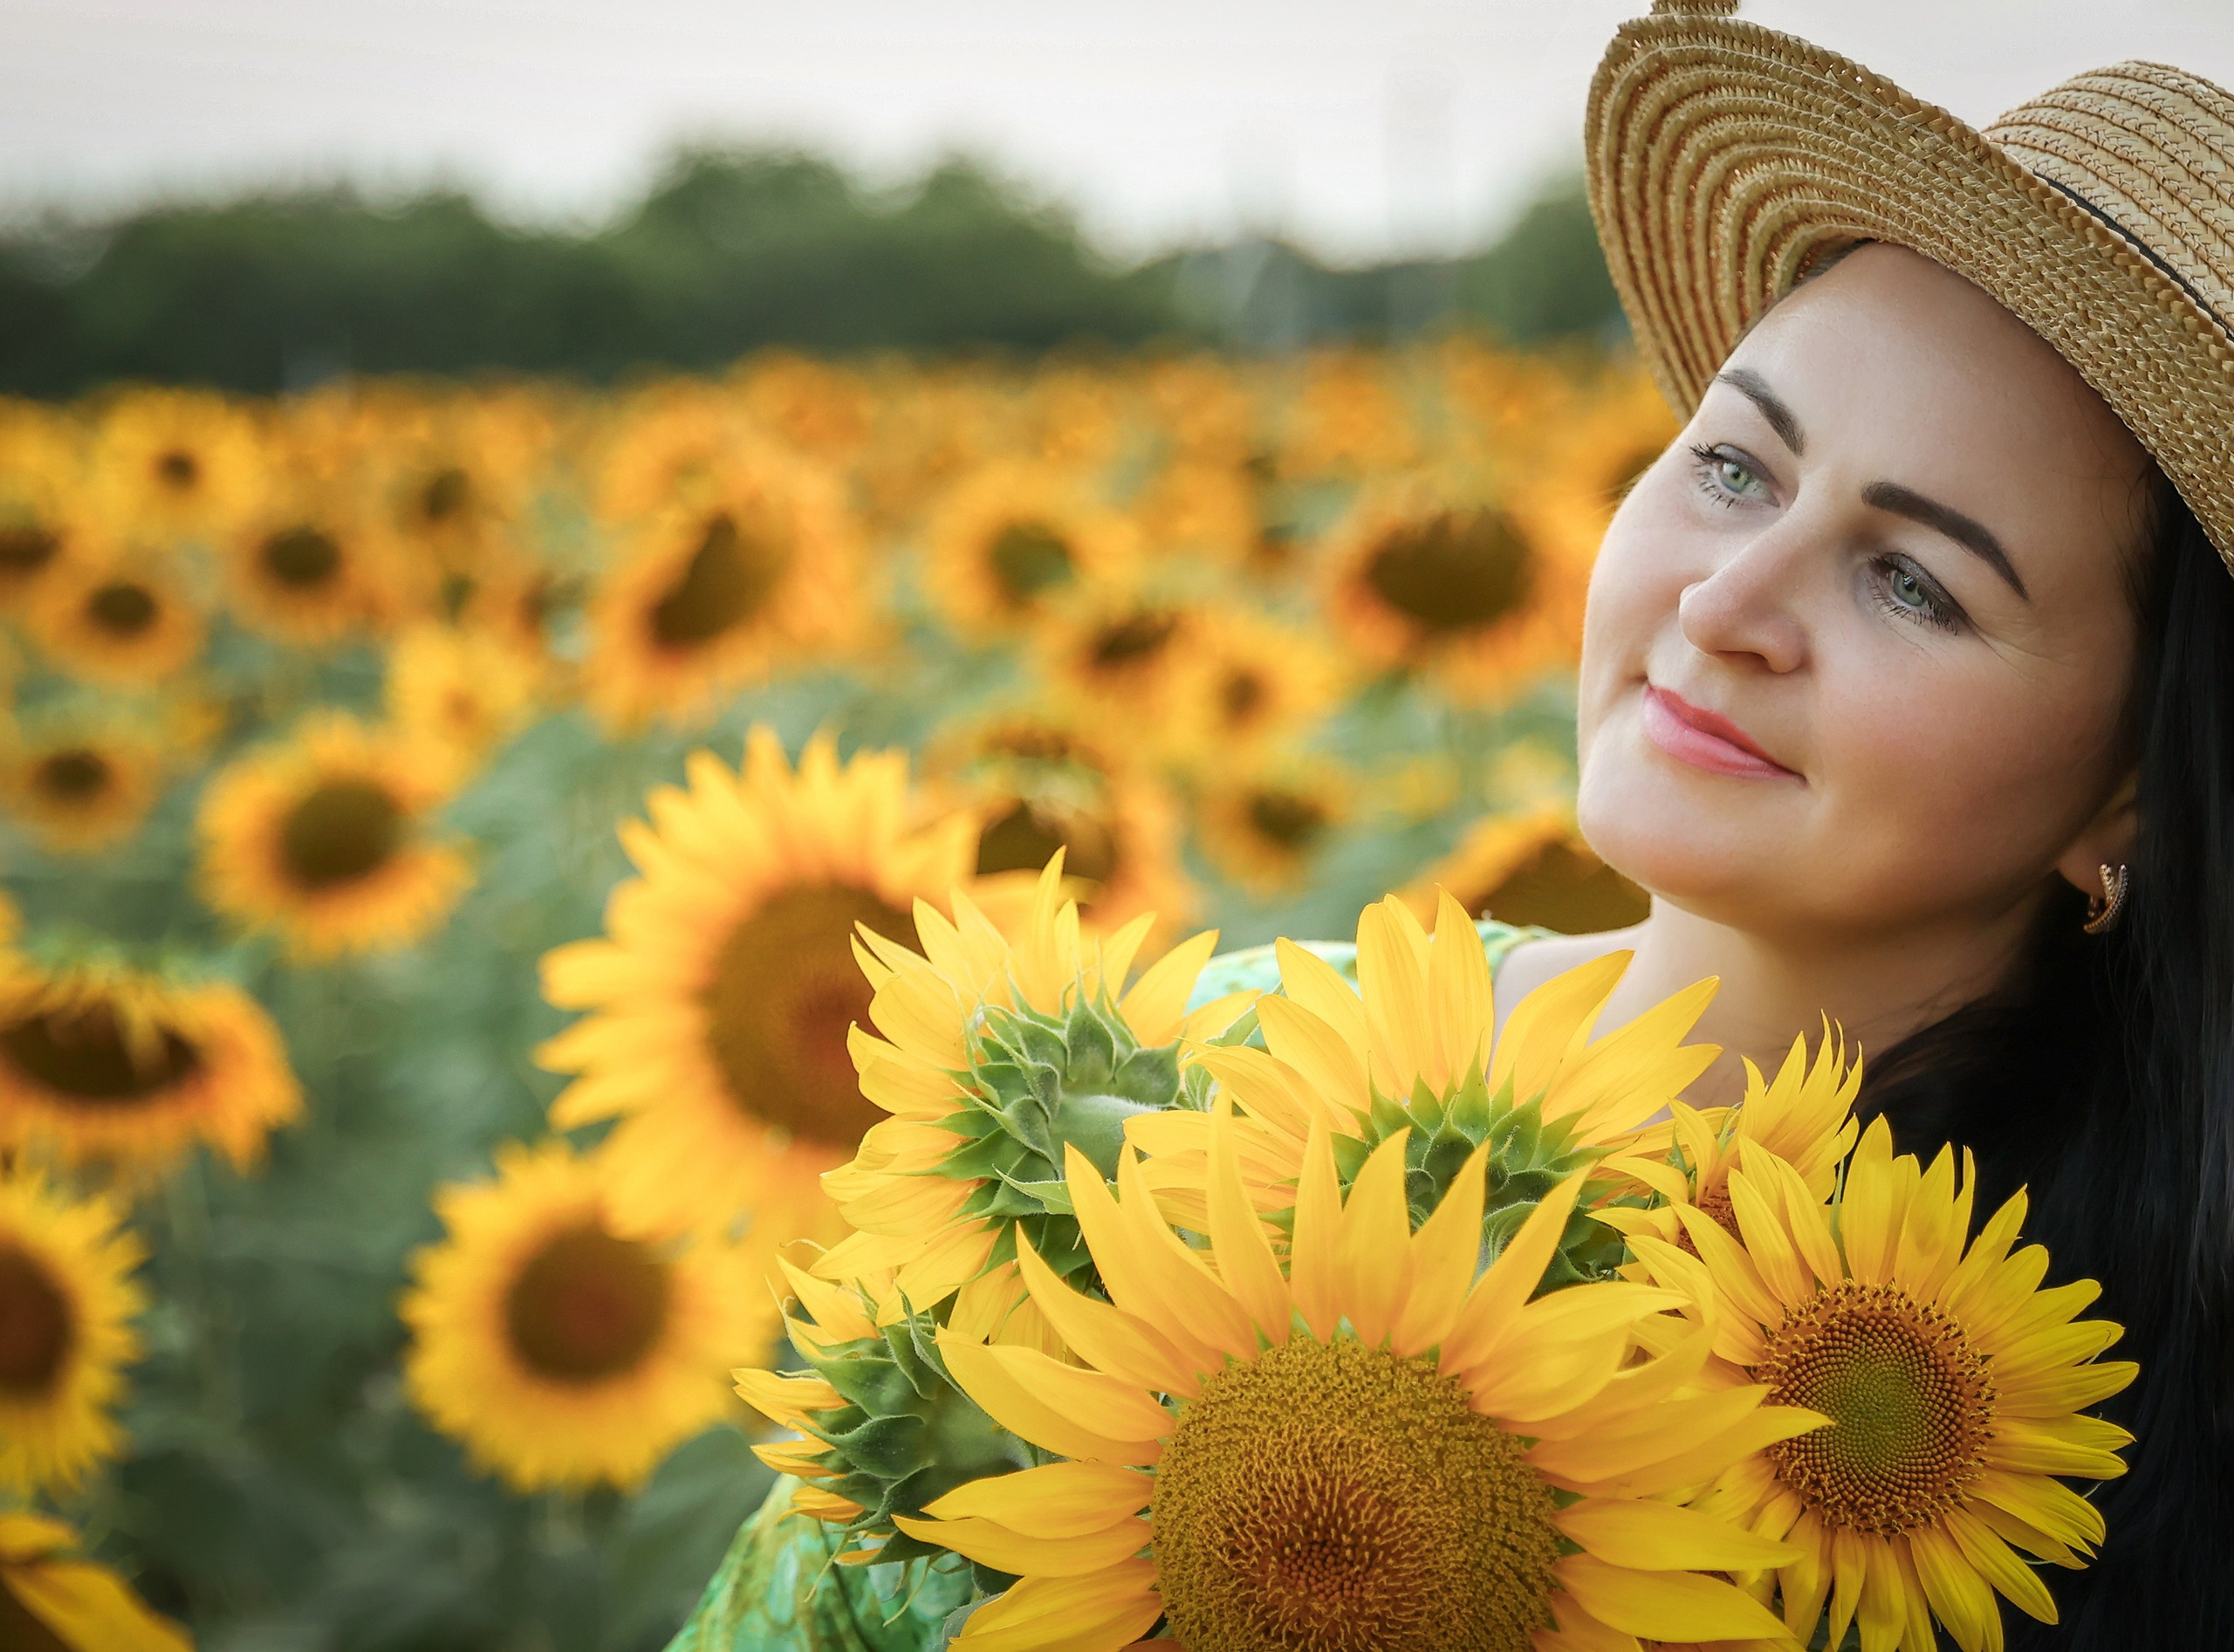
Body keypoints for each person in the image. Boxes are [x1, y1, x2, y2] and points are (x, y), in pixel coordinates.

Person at [671, 4, 2234, 1645]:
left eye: (1913, 579)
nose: (1726, 601)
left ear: (2135, 787)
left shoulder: (2001, 1440)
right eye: (1732, 467)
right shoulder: (1169, 1081)